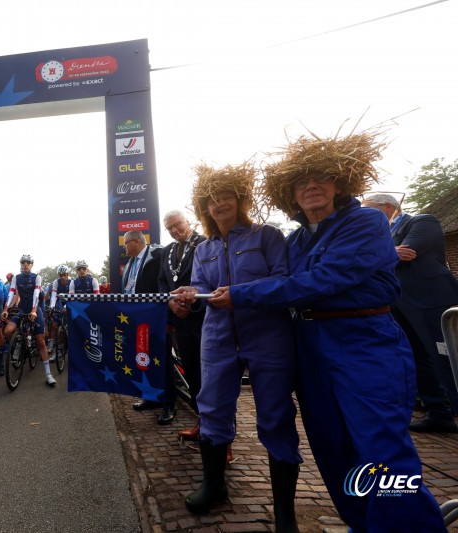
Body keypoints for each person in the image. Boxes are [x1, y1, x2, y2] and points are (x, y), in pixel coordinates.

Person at [205, 132, 447, 532]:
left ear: (340, 183)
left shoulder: (365, 221)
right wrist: (197, 294)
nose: (311, 187)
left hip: (364, 341)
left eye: (321, 178)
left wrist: (243, 294)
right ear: (291, 195)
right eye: (301, 183)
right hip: (311, 347)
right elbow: (278, 281)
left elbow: (324, 279)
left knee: (382, 450)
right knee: (333, 449)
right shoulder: (296, 238)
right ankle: (363, 524)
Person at [171, 163, 301, 527]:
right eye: (212, 200)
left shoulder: (267, 236)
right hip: (217, 337)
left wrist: (241, 295)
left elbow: (284, 281)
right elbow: (199, 286)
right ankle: (214, 486)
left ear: (240, 199)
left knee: (276, 415)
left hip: (268, 336)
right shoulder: (204, 248)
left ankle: (284, 512)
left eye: (226, 196)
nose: (220, 204)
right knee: (210, 409)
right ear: (204, 208)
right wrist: (188, 295)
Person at [361, 193, 458, 432]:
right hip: (400, 304)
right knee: (417, 358)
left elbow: (410, 251)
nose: (363, 217)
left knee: (448, 356)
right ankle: (438, 413)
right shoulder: (378, 237)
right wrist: (389, 253)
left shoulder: (423, 221)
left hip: (432, 301)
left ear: (388, 207)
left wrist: (380, 255)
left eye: (369, 211)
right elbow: (366, 258)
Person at [157, 209, 206, 430]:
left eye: (178, 225)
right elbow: (162, 282)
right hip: (180, 322)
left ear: (188, 221)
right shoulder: (166, 251)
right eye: (170, 228)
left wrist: (192, 307)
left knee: (212, 376)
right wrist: (171, 303)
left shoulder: (204, 243)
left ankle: (223, 434)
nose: (175, 230)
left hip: (204, 320)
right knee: (192, 372)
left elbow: (212, 280)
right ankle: (201, 420)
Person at [124, 230, 165, 412]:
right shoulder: (130, 263)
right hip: (136, 319)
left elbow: (163, 285)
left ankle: (168, 404)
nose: (124, 247)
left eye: (125, 244)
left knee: (162, 361)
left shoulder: (156, 256)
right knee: (143, 359)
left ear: (134, 242)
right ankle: (150, 397)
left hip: (155, 318)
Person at [2, 254, 56, 386]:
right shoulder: (16, 277)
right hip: (22, 309)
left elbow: (36, 294)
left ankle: (48, 374)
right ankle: (18, 344)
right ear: (20, 264)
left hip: (35, 309)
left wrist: (33, 310)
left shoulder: (37, 277)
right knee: (8, 331)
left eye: (28, 262)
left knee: (40, 341)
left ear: (32, 265)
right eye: (23, 262)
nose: (25, 264)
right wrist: (5, 309)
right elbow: (11, 293)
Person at [121, 230, 162, 294]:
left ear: (135, 242)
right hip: (129, 303)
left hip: (149, 303)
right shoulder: (129, 262)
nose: (124, 246)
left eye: (126, 243)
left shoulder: (157, 257)